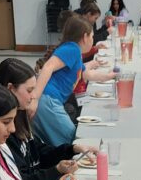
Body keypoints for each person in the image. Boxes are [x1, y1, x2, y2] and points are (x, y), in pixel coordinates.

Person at [0, 58, 98, 180]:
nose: (34, 96)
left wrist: (73, 149)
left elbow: (39, 152)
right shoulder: (4, 132)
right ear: (10, 89)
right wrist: (56, 170)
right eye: (29, 90)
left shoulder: (21, 116)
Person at [32, 15, 116, 146]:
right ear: (85, 37)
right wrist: (35, 98)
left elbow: (87, 74)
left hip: (49, 101)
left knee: (67, 140)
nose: (93, 40)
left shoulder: (74, 51)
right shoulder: (73, 49)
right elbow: (48, 67)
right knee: (73, 138)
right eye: (92, 36)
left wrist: (109, 76)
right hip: (47, 101)